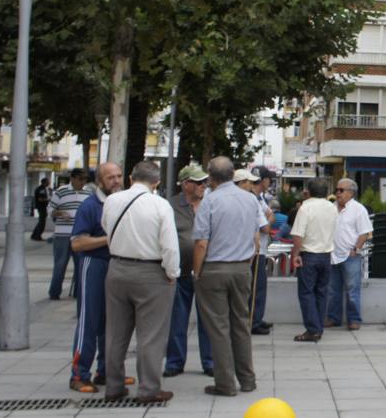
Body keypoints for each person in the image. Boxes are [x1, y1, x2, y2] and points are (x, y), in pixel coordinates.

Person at [101, 161, 180, 404]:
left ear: (130, 177)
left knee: (115, 332)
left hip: (117, 268)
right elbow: (169, 244)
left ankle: (113, 386)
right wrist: (172, 272)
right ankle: (148, 389)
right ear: (156, 182)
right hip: (151, 272)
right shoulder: (160, 205)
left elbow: (106, 227)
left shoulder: (112, 201)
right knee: (151, 335)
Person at [194, 156, 267, 397]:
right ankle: (247, 379)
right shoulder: (250, 199)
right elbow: (257, 236)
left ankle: (224, 383)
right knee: (241, 324)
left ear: (211, 176)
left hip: (215, 268)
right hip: (241, 268)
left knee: (218, 327)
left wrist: (197, 271)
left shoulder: (209, 200)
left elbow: (202, 242)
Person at [68, 162, 125, 393]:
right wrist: (107, 240)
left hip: (116, 265)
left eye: (119, 176)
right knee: (89, 321)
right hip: (94, 264)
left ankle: (106, 371)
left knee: (111, 323)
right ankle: (79, 374)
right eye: (110, 177)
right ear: (100, 181)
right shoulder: (90, 206)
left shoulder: (121, 203)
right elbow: (78, 242)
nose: (116, 181)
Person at [163, 164, 213, 378]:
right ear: (185, 184)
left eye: (204, 182)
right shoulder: (170, 206)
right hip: (180, 271)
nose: (203, 185)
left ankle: (210, 362)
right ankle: (175, 362)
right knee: (177, 318)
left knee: (208, 319)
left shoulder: (210, 203)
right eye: (198, 182)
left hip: (207, 271)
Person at [291, 179, 338, 342]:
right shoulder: (332, 207)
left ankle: (312, 329)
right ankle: (318, 327)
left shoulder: (306, 208)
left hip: (309, 254)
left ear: (308, 191)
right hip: (326, 255)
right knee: (321, 292)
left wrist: (295, 254)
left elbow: (298, 234)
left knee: (306, 293)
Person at [325, 178, 372, 330]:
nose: (337, 193)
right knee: (333, 290)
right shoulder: (331, 208)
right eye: (336, 190)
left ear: (351, 193)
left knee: (352, 289)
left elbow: (365, 233)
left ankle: (354, 319)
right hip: (333, 255)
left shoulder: (358, 209)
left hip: (350, 255)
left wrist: (355, 249)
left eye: (341, 190)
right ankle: (333, 318)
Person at [50, 168, 92, 300]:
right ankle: (54, 292)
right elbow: (50, 209)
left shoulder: (89, 192)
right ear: (72, 178)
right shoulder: (61, 192)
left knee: (80, 264)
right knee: (60, 264)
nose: (83, 182)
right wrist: (60, 213)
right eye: (80, 179)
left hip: (80, 234)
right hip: (62, 234)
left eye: (85, 179)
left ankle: (78, 292)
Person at [249, 166, 275, 335]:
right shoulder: (252, 199)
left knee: (258, 287)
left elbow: (268, 215)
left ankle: (257, 317)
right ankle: (254, 321)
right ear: (264, 181)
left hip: (260, 250)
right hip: (254, 251)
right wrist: (269, 219)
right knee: (256, 288)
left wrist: (268, 217)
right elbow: (265, 227)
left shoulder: (260, 198)